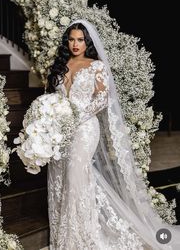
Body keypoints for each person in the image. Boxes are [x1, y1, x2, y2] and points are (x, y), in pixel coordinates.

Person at [46, 19, 180, 249]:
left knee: (76, 177)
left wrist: (74, 116)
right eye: (71, 39)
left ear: (87, 42)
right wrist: (49, 118)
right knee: (59, 178)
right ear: (66, 42)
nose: (75, 44)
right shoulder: (59, 66)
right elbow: (49, 99)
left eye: (80, 40)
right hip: (59, 134)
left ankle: (82, 239)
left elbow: (102, 98)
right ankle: (63, 235)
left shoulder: (95, 66)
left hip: (84, 129)